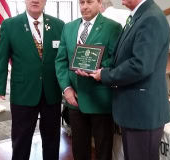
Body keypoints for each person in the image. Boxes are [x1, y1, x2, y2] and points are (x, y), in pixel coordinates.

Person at [90, 0, 170, 159]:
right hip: (134, 109)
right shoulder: (138, 16)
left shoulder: (151, 18)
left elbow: (140, 65)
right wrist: (102, 67)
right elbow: (122, 56)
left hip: (143, 112)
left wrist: (105, 75)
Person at [0, 0, 64, 159]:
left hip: (51, 93)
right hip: (23, 93)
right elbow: (1, 59)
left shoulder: (59, 25)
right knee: (21, 141)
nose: (35, 0)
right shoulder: (10, 25)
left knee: (52, 140)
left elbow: (63, 60)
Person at [55, 0, 122, 159]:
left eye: (89, 1)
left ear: (100, 3)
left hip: (100, 99)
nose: (84, 6)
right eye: (81, 2)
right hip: (75, 101)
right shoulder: (69, 27)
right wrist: (66, 89)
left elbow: (116, 61)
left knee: (103, 151)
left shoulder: (112, 27)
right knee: (79, 150)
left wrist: (97, 68)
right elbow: (60, 61)